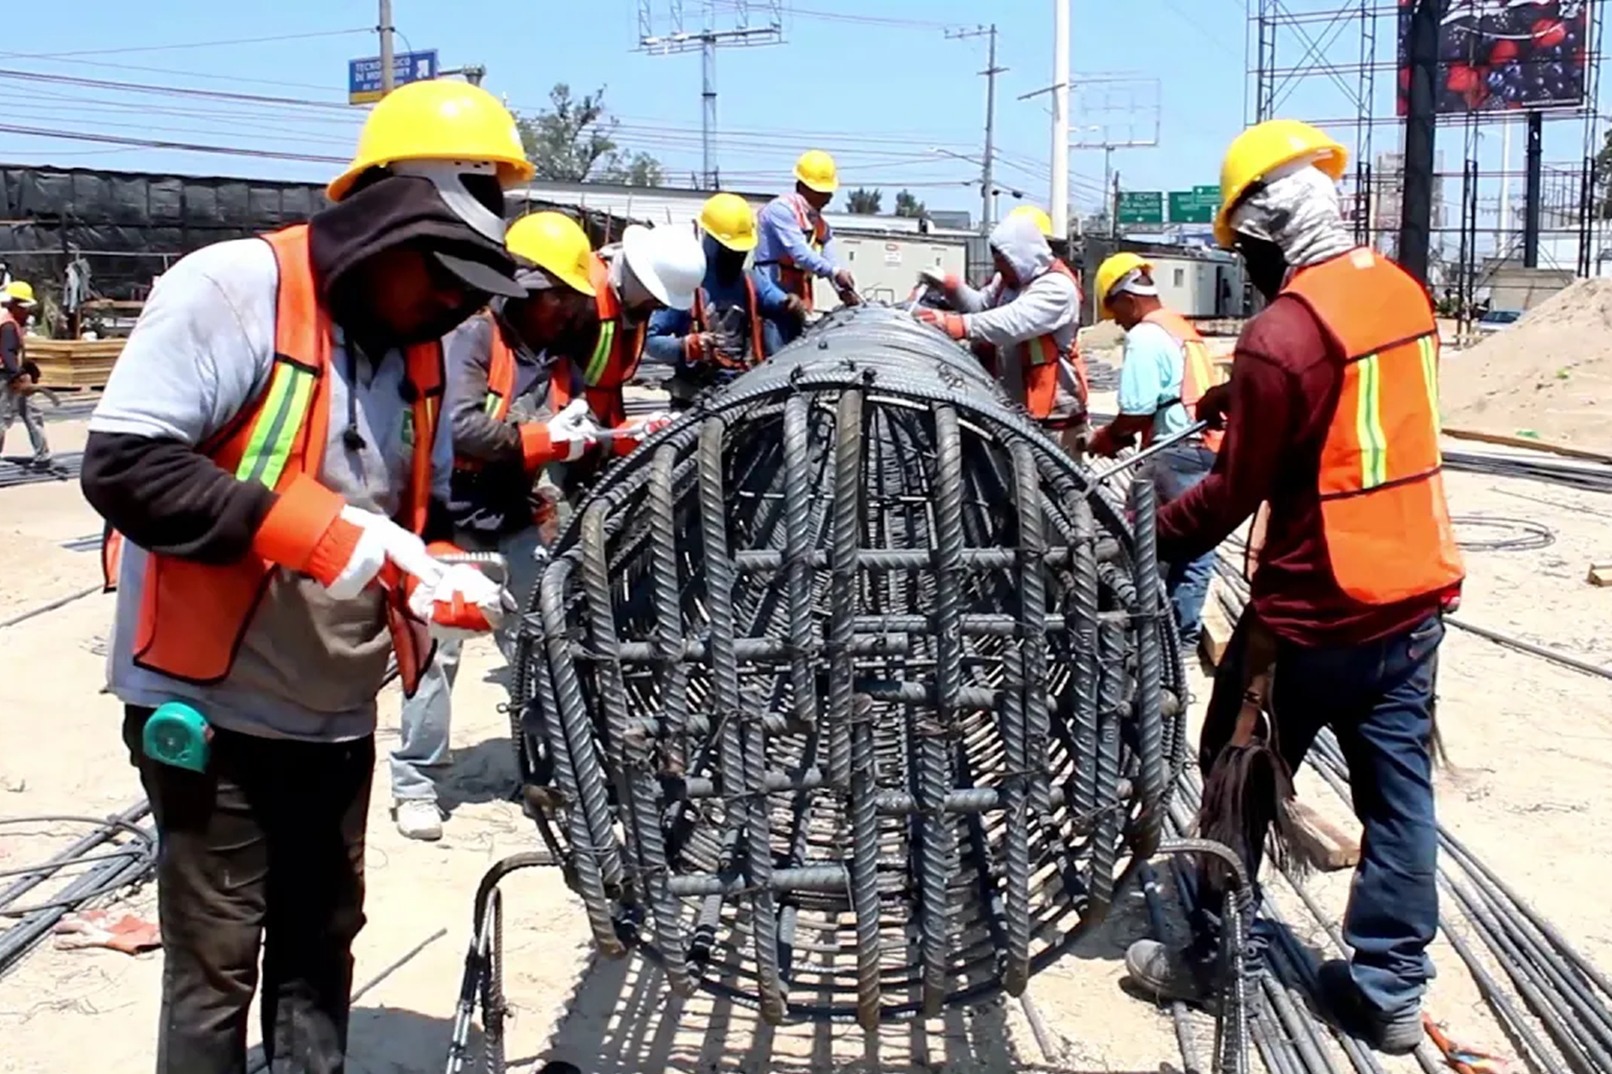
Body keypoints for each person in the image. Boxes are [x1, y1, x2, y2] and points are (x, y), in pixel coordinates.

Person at [79, 79, 535, 1073]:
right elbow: (126, 467)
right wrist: (336, 540)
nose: (455, 305)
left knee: (321, 935)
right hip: (209, 704)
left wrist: (441, 574)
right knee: (217, 961)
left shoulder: (415, 348)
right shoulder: (236, 288)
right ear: (384, 223)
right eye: (442, 275)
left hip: (328, 713)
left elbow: (432, 515)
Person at [1120, 119, 1464, 1057]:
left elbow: (1231, 495)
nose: (1250, 268)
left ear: (1268, 237)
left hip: (1316, 610)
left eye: (1246, 250)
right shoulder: (1398, 292)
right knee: (1398, 797)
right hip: (1416, 596)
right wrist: (1251, 400)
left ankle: (1206, 952)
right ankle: (1391, 989)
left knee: (1235, 761)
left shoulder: (1280, 334)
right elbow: (1357, 411)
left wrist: (1140, 541)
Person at [388, 210, 606, 840]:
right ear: (528, 287)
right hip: (451, 518)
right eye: (560, 298)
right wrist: (544, 441)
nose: (569, 311)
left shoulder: (556, 351)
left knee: (539, 646)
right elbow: (457, 428)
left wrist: (575, 444)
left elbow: (567, 424)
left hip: (513, 517)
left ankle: (544, 767)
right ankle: (417, 784)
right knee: (438, 655)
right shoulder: (474, 336)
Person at [1086, 252, 1223, 651]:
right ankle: (1178, 638)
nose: (1116, 321)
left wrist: (1107, 438)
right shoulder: (1179, 326)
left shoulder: (1145, 335)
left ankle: (1149, 638)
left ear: (1127, 299)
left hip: (1175, 453)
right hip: (1203, 448)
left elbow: (1136, 410)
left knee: (1143, 541)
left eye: (1115, 312)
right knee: (1195, 545)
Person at [911, 212, 1089, 457]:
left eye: (1003, 261)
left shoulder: (1057, 288)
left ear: (1021, 256)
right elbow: (983, 306)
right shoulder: (1008, 281)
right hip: (1017, 406)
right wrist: (951, 288)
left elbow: (1012, 322)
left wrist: (955, 324)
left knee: (1057, 485)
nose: (998, 268)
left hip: (1054, 413)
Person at [555, 221, 703, 502]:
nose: (657, 309)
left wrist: (631, 430)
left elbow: (606, 385)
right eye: (656, 300)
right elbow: (560, 393)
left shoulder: (627, 305)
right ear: (639, 280)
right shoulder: (584, 300)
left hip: (596, 435)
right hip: (566, 436)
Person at [646, 193, 803, 409]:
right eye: (729, 251)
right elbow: (651, 340)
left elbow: (779, 302)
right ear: (709, 241)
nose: (735, 258)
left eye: (741, 252)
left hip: (742, 394)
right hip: (694, 401)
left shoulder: (751, 282)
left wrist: (791, 304)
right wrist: (687, 346)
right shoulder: (687, 284)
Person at [754, 149, 857, 339]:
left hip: (797, 290)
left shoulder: (812, 217)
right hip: (772, 289)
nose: (829, 198)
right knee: (777, 351)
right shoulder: (781, 210)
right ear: (804, 187)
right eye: (823, 192)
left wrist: (841, 288)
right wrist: (835, 272)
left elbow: (827, 244)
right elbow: (800, 254)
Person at [0, 280, 51, 469]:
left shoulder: (14, 322)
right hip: (6, 378)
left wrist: (27, 368)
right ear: (14, 304)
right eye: (24, 307)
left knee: (32, 414)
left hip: (15, 376)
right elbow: (6, 353)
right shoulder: (7, 325)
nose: (27, 311)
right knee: (2, 419)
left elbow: (15, 352)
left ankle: (43, 456)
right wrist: (19, 374)